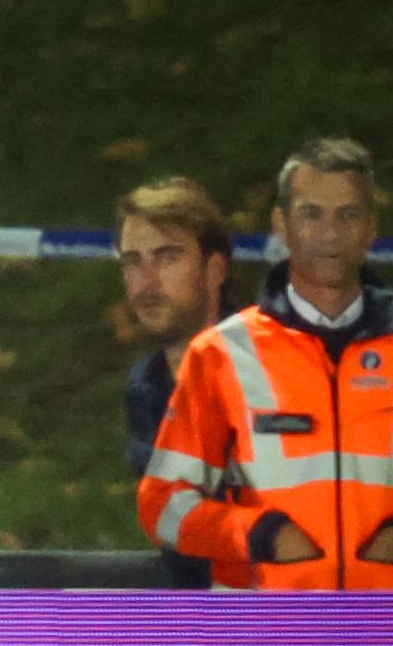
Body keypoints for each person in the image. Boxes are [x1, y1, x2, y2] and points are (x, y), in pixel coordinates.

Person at [139, 137, 393, 590]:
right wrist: (257, 534)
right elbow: (162, 505)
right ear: (281, 225)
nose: (330, 234)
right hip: (261, 637)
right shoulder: (221, 353)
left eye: (348, 215)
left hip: (380, 635)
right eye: (310, 214)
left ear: (371, 227)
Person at [113, 176, 230, 588]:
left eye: (167, 258)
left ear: (214, 269)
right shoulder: (146, 387)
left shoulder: (267, 370)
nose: (147, 281)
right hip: (196, 623)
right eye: (133, 261)